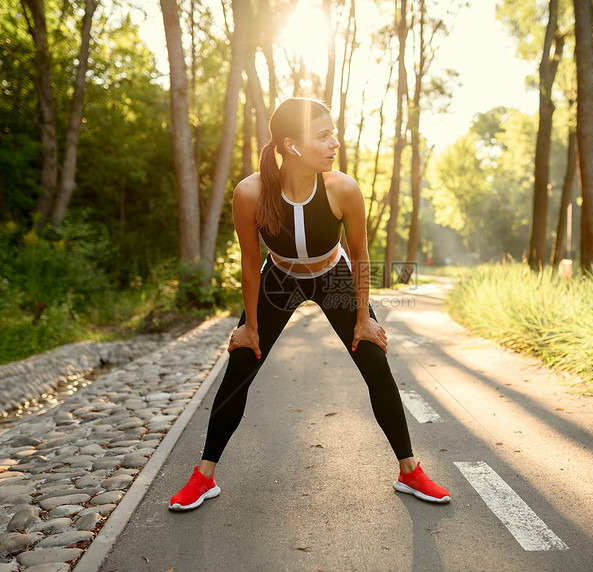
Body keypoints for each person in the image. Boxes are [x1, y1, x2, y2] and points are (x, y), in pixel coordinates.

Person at [169, 98, 450, 511]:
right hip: (279, 278)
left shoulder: (342, 188)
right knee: (242, 364)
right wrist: (248, 327)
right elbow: (250, 263)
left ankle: (409, 472)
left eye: (333, 132)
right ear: (292, 145)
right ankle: (203, 477)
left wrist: (362, 320)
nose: (335, 142)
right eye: (323, 136)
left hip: (332, 274)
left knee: (375, 358)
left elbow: (360, 256)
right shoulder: (250, 193)